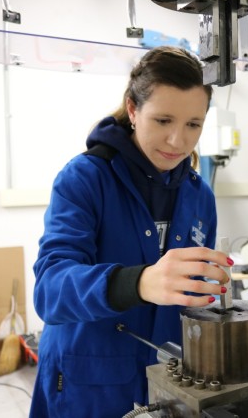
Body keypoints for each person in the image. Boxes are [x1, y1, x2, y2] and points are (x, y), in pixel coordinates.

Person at [30, 45, 232, 418]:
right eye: (163, 120)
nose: (178, 141)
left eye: (193, 124)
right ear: (134, 109)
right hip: (88, 381)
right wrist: (138, 282)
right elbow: (50, 290)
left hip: (169, 378)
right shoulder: (86, 178)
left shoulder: (199, 194)